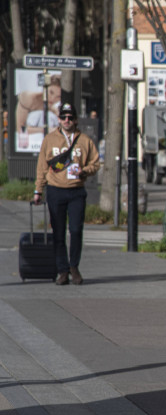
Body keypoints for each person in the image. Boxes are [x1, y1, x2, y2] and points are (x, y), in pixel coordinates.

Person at [33, 103, 101, 285]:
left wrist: (85, 171)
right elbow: (42, 166)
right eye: (63, 117)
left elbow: (96, 163)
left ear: (76, 120)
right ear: (59, 119)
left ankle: (74, 267)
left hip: (77, 191)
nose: (67, 120)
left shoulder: (84, 140)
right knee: (58, 233)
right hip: (56, 190)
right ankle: (62, 271)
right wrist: (38, 190)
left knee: (76, 230)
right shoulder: (50, 140)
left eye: (70, 117)